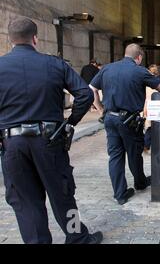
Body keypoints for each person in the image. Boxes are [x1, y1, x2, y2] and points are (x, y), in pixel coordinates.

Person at [0, 17, 102, 244]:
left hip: (12, 144)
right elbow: (85, 94)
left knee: (26, 201)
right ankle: (77, 237)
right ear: (35, 38)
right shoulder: (55, 64)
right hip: (50, 141)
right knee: (63, 194)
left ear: (11, 40)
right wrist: (71, 122)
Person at [89, 44, 160, 205]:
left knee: (115, 155)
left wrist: (100, 108)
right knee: (134, 152)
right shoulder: (139, 71)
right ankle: (140, 182)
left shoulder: (107, 68)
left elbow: (92, 89)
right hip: (129, 120)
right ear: (139, 57)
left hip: (110, 117)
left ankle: (120, 194)